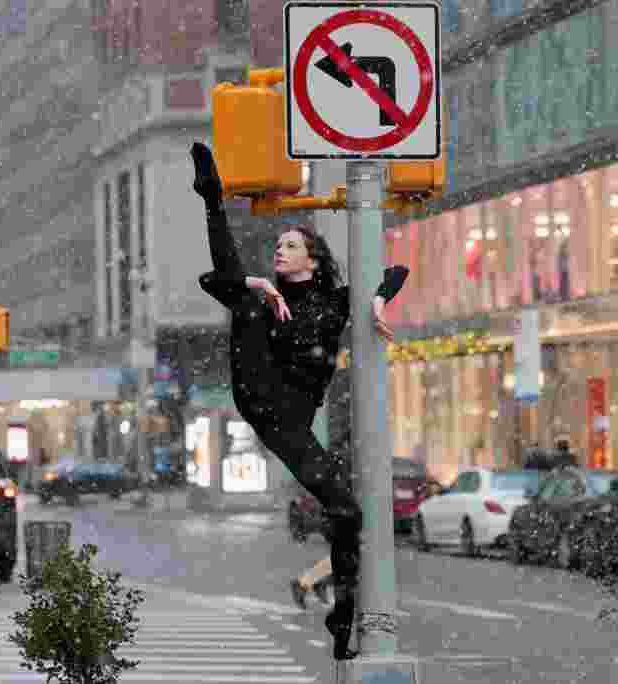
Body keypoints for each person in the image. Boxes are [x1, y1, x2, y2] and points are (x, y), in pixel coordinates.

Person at [191, 142, 409, 660]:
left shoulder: (336, 301)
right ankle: (211, 197)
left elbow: (396, 271)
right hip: (257, 391)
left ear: (313, 258)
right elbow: (211, 279)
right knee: (242, 303)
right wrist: (253, 282)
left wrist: (376, 298)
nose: (280, 251)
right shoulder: (267, 300)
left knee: (348, 512)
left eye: (290, 246)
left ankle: (342, 616)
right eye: (279, 246)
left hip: (292, 420)